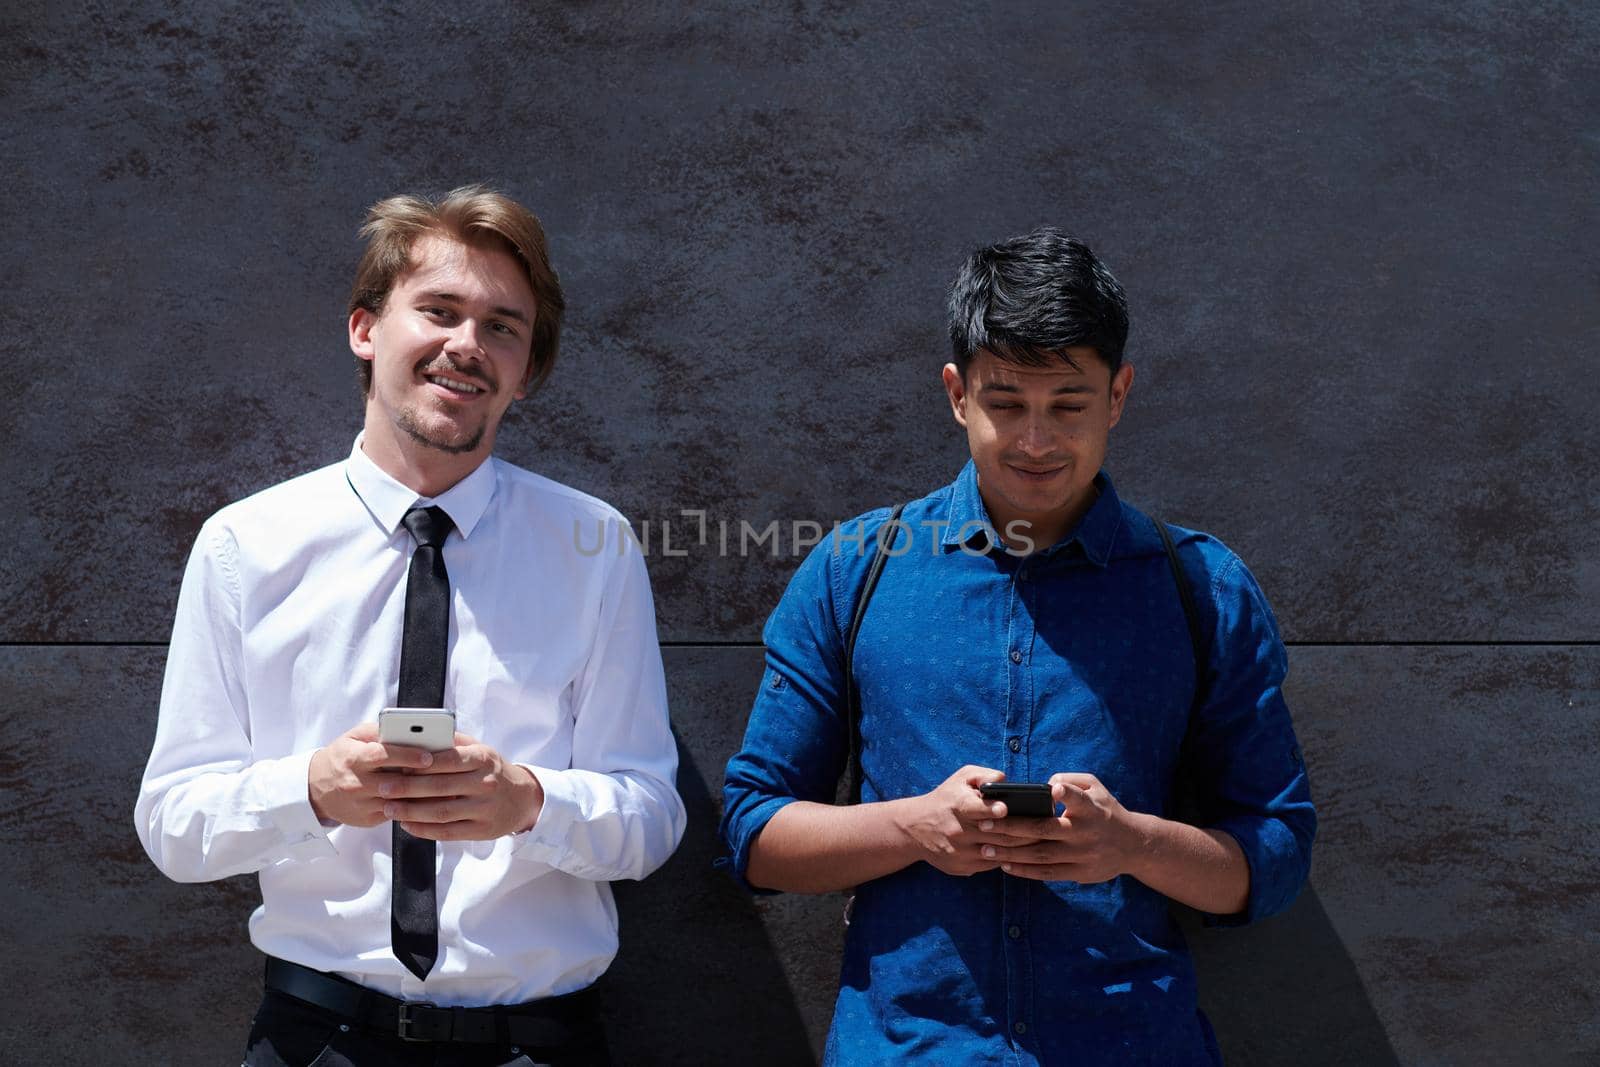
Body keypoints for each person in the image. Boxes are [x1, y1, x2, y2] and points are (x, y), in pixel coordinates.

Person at [720, 228, 1315, 1064]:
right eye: (1007, 403)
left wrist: (1131, 842)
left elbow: (1277, 851)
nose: (1037, 440)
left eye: (1068, 405)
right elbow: (752, 833)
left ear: (1119, 394)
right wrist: (915, 827)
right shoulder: (855, 570)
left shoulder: (1201, 589)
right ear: (958, 393)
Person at [135, 185, 685, 1065]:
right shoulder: (247, 545)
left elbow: (652, 817)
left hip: (536, 1042)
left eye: (503, 326)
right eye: (439, 310)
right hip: (317, 1039)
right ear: (366, 329)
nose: (468, 344)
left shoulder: (593, 545)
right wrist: (313, 789)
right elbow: (171, 822)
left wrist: (526, 803)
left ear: (526, 369)